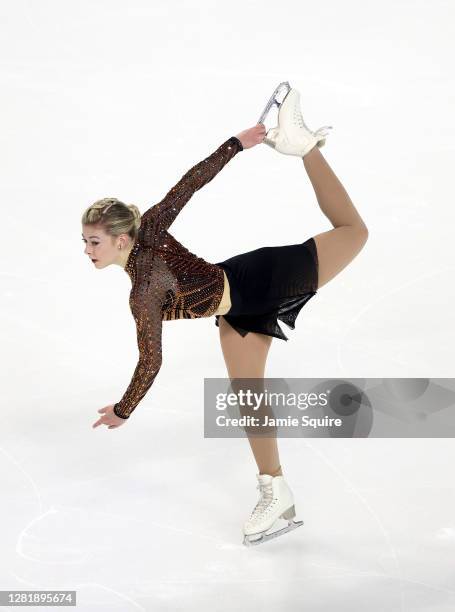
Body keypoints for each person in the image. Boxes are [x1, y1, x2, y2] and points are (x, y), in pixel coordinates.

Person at [83, 89, 368, 544]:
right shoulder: (141, 294)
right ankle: (276, 492)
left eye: (94, 241)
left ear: (119, 238)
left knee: (354, 232)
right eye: (85, 241)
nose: (87, 250)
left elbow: (190, 182)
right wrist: (124, 408)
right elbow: (150, 359)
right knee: (249, 397)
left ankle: (305, 147)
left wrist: (235, 144)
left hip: (261, 277)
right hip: (236, 311)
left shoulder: (151, 233)